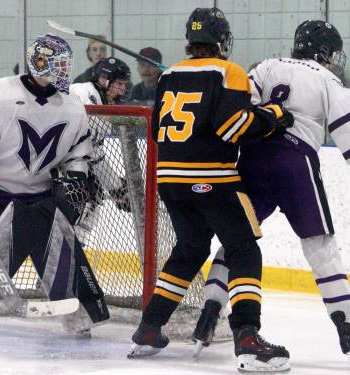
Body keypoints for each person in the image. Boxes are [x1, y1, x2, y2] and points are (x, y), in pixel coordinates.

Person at [127, 8, 295, 372]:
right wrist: (274, 117)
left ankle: (149, 327)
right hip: (213, 179)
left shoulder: (168, 74)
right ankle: (247, 336)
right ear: (221, 40)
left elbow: (157, 128)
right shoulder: (229, 72)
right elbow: (234, 127)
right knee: (243, 249)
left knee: (189, 250)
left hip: (170, 180)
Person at [0, 34, 109, 337]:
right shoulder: (1, 93)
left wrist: (75, 184)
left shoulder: (72, 107)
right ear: (40, 62)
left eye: (67, 64)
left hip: (41, 195)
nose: (65, 71)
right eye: (59, 64)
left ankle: (79, 310)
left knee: (60, 248)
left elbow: (78, 156)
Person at [192, 19, 350, 357]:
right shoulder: (327, 79)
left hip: (253, 158)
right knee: (320, 245)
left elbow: (234, 106)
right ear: (323, 51)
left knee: (236, 240)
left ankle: (208, 313)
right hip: (296, 164)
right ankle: (346, 325)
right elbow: (346, 131)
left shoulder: (266, 66)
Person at [69, 57, 132, 242]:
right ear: (104, 80)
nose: (122, 89)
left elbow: (94, 155)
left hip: (64, 164)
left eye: (124, 84)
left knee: (93, 199)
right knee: (85, 196)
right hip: (44, 167)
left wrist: (116, 188)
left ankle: (74, 249)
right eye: (119, 83)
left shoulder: (103, 106)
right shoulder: (82, 92)